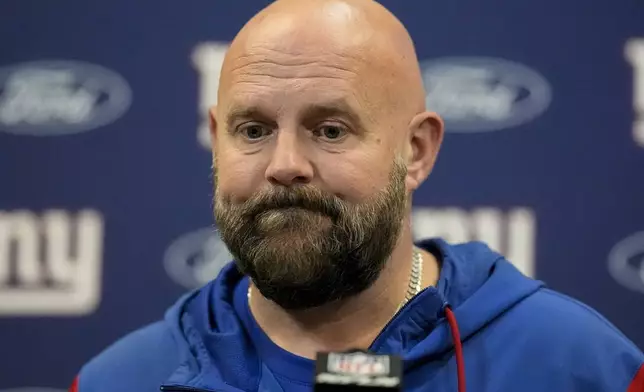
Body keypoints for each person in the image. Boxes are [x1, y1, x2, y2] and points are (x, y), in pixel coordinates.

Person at [70, 0, 644, 391]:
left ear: (416, 150)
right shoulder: (120, 379)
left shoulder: (579, 367)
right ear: (217, 141)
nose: (285, 165)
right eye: (253, 131)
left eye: (330, 130)